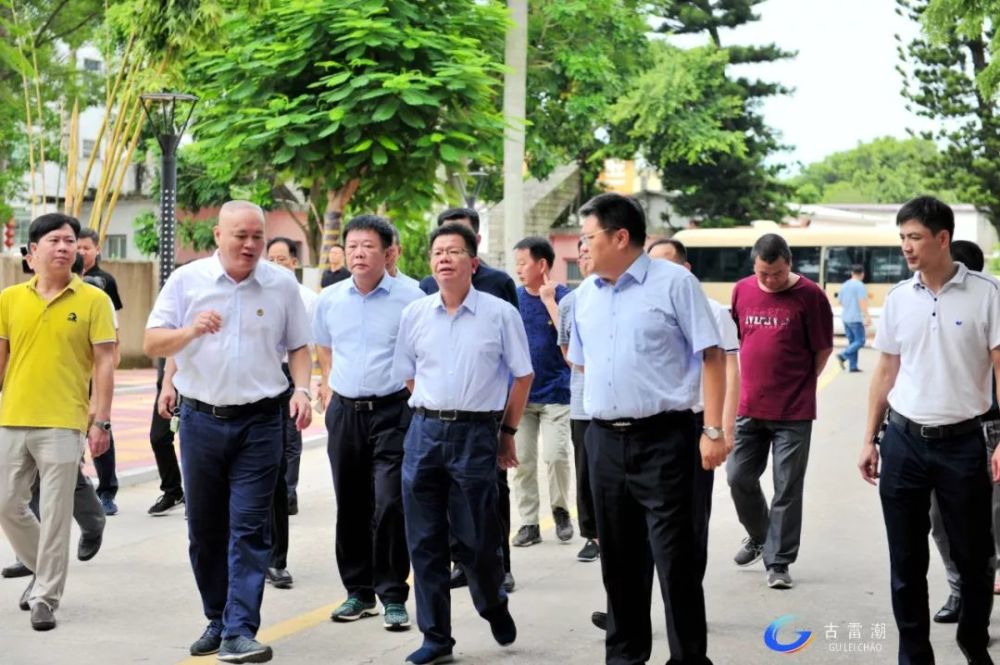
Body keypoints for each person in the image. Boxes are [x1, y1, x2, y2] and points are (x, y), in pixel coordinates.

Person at [143, 200, 312, 664]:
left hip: (260, 423)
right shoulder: (187, 281)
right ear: (218, 236)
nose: (251, 244)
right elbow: (152, 341)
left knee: (249, 528)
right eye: (240, 235)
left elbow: (299, 345)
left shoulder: (280, 284)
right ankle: (216, 617)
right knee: (204, 530)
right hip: (200, 422)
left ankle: (240, 629)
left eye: (257, 235)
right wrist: (191, 330)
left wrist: (303, 389)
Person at [568, 193, 727, 665]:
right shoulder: (583, 297)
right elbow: (579, 361)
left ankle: (688, 659)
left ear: (620, 237)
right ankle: (624, 657)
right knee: (619, 564)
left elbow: (713, 355)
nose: (581, 248)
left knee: (675, 562)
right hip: (603, 440)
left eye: (587, 237)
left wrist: (714, 430)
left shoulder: (674, 284)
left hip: (665, 438)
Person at [859, 197, 998, 665]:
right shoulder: (899, 298)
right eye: (902, 238)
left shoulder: (988, 293)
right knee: (905, 561)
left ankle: (973, 644)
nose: (906, 247)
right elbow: (885, 372)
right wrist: (868, 439)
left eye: (914, 237)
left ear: (943, 238)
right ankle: (914, 654)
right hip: (902, 441)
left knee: (974, 558)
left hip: (962, 443)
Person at [393, 222, 533, 665]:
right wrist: (433, 409)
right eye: (437, 252)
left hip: (476, 434)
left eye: (454, 251)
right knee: (425, 541)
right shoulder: (415, 314)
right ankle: (436, 638)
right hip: (424, 433)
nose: (444, 258)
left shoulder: (499, 314)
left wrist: (506, 433)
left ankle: (492, 602)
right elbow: (409, 373)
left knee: (476, 540)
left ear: (473, 263)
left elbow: (523, 374)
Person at [0, 212, 115, 631]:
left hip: (64, 422)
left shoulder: (93, 300)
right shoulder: (9, 299)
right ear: (32, 253)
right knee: (6, 504)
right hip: (12, 417)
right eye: (54, 240)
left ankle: (45, 596)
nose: (64, 247)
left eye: (69, 240)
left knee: (55, 511)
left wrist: (101, 420)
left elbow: (105, 363)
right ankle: (42, 569)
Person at [313, 215, 423, 630]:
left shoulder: (412, 296)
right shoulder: (331, 298)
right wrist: (327, 384)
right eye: (353, 245)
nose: (359, 253)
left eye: (368, 246)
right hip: (345, 412)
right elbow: (323, 344)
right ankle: (358, 593)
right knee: (351, 503)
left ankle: (393, 594)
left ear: (388, 251)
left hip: (395, 410)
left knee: (391, 501)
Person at [419, 207, 519, 593]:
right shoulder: (428, 287)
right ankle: (460, 561)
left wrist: (507, 417)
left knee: (493, 490)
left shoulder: (499, 282)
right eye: (440, 244)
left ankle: (500, 564)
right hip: (439, 414)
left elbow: (515, 355)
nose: (446, 255)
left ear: (474, 245)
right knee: (445, 492)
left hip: (486, 409)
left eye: (456, 244)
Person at [727, 232, 834, 590]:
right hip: (750, 406)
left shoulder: (810, 296)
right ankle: (761, 536)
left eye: (774, 273)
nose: (768, 280)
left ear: (788, 263)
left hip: (794, 411)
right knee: (737, 477)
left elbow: (822, 349)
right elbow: (740, 340)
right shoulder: (742, 290)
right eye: (762, 273)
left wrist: (803, 384)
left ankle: (779, 561)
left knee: (786, 487)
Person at [923, 239, 1000, 625]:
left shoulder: (990, 301)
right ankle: (962, 591)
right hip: (944, 432)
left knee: (986, 521)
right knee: (943, 519)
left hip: (988, 429)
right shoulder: (925, 302)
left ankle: (975, 597)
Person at [510, 236, 574, 547]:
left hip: (557, 392)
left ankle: (561, 510)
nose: (518, 269)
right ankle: (528, 523)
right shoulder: (513, 298)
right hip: (521, 395)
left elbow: (574, 340)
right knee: (522, 460)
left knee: (556, 455)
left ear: (542, 265)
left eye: (523, 263)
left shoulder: (566, 296)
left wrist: (550, 301)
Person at [265, 236, 318, 516]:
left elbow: (309, 346)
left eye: (281, 259)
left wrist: (305, 386)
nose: (275, 264)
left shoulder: (308, 298)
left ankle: (289, 491)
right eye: (270, 259)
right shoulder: (260, 293)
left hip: (292, 370)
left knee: (291, 436)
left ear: (294, 262)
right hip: (267, 370)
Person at [557, 240, 599, 563]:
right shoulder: (569, 302)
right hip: (583, 402)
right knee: (586, 471)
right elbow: (567, 350)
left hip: (619, 403)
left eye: (589, 252)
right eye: (581, 255)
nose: (585, 259)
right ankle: (592, 535)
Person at [77, 228, 124, 514]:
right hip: (70, 375)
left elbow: (113, 334)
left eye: (84, 247)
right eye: (76, 246)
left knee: (99, 426)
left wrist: (108, 367)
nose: (79, 252)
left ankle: (107, 490)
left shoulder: (103, 285)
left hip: (95, 369)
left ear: (97, 249)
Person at [835, 264, 871, 373]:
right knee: (860, 341)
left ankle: (853, 367)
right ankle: (843, 355)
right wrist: (867, 317)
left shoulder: (845, 284)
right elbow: (862, 302)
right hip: (855, 318)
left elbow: (840, 301)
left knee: (852, 342)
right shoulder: (860, 285)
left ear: (852, 273)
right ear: (862, 274)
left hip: (845, 317)